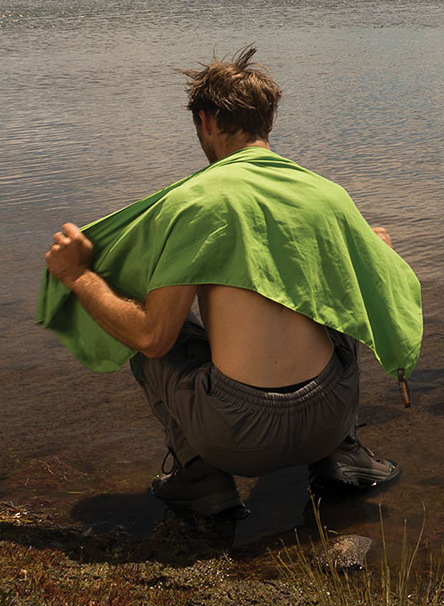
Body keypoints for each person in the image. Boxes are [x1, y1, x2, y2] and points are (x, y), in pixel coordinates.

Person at [40, 47, 422, 517]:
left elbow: (151, 337)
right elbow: (386, 290)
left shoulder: (194, 202)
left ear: (205, 121)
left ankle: (201, 480)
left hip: (236, 435)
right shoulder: (327, 194)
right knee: (340, 296)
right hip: (327, 416)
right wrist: (369, 250)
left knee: (157, 333)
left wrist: (78, 275)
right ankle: (345, 458)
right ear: (269, 121)